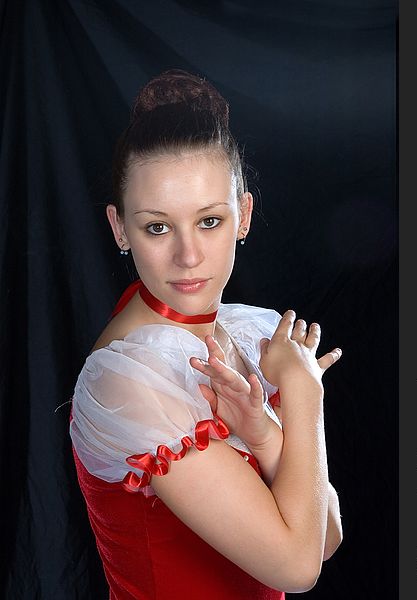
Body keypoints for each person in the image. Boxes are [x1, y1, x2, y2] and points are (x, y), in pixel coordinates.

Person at [69, 68, 343, 600]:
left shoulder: (246, 333)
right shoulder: (129, 380)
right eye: (157, 227)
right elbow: (296, 566)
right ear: (119, 228)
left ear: (242, 216)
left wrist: (263, 432)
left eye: (209, 221)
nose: (188, 256)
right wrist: (305, 393)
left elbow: (326, 536)